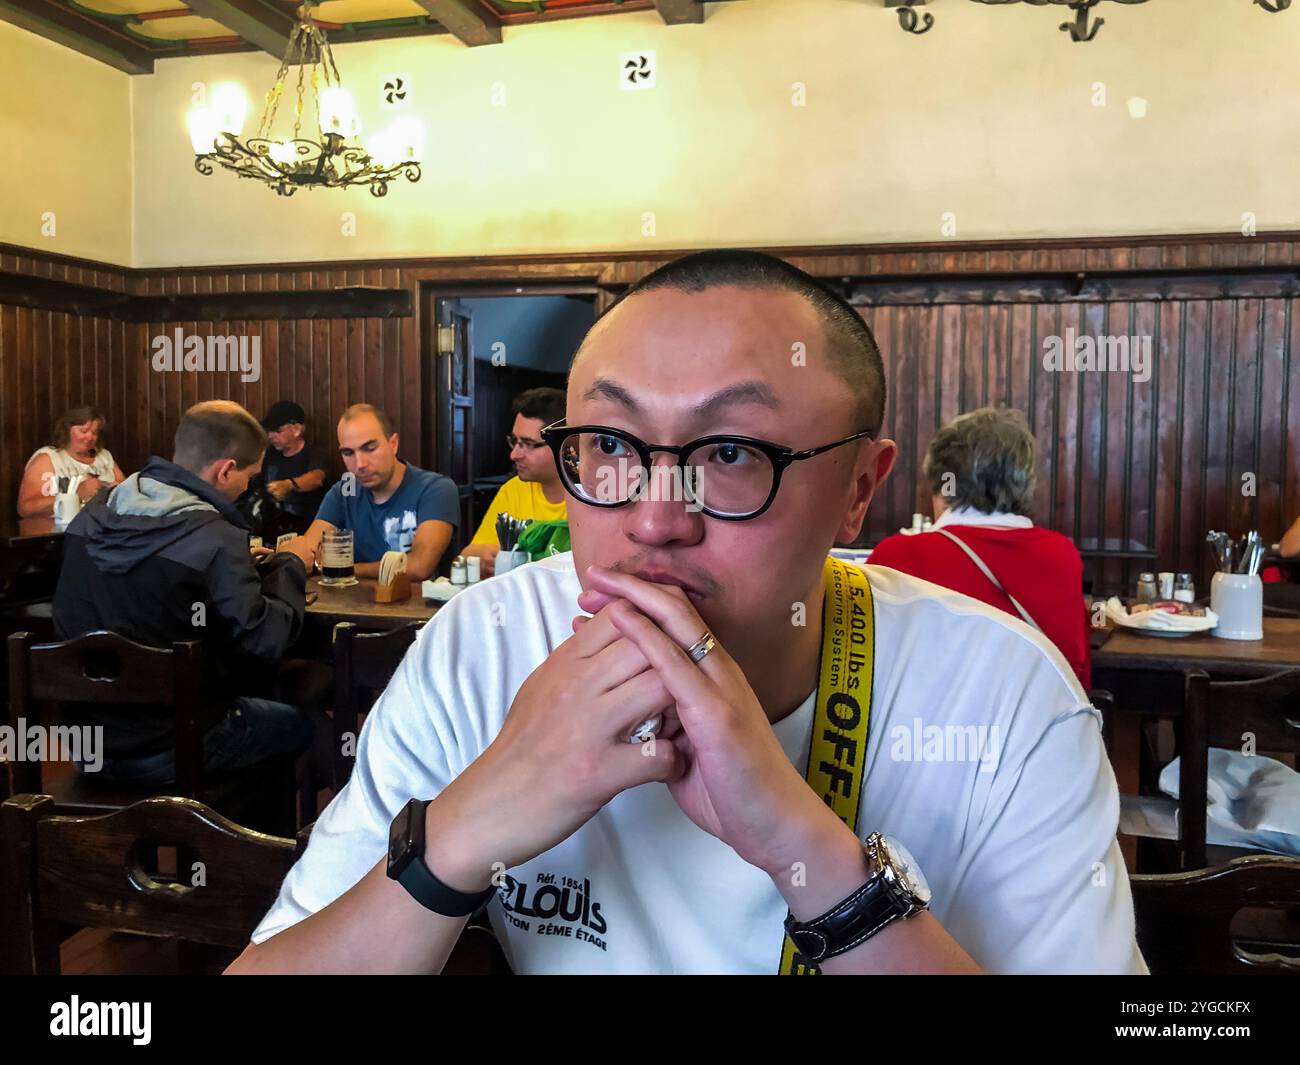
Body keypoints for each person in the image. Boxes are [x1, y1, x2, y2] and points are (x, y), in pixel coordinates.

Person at [231, 250, 1143, 975]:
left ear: (859, 489)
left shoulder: (1004, 697)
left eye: (734, 451)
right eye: (610, 446)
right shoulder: (484, 645)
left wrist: (804, 848)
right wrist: (469, 826)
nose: (654, 518)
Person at [53, 400, 321, 795]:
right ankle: (249, 843)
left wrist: (230, 568)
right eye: (249, 475)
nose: (249, 486)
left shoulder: (91, 514)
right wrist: (291, 565)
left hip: (87, 745)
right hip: (173, 746)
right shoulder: (215, 538)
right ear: (226, 469)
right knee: (303, 726)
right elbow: (265, 640)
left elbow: (141, 578)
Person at [869, 407, 1092, 688]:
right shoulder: (1062, 554)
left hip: (926, 730)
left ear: (941, 485)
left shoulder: (897, 556)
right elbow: (1078, 668)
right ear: (1026, 482)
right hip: (1037, 728)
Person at [295, 404, 459, 583]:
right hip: (351, 607)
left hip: (420, 609)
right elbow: (307, 553)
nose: (360, 464)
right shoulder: (344, 491)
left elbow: (418, 567)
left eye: (370, 448)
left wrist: (345, 570)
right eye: (348, 453)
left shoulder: (436, 488)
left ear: (393, 444)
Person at [461, 387, 568, 577]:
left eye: (528, 444)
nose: (514, 454)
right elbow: (468, 555)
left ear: (564, 445)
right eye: (514, 441)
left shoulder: (592, 497)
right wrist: (483, 559)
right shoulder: (514, 490)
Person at [17, 405, 126, 518]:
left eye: (94, 433)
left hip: (107, 525)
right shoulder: (48, 458)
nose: (90, 437)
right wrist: (76, 494)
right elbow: (26, 508)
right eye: (83, 431)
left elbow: (126, 491)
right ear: (67, 430)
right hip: (60, 529)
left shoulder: (104, 456)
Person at [258, 400, 330, 533]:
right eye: (269, 431)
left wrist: (289, 485)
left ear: (296, 429)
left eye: (277, 430)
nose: (270, 436)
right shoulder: (269, 455)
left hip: (307, 527)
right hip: (272, 528)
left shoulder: (314, 454)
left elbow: (316, 478)